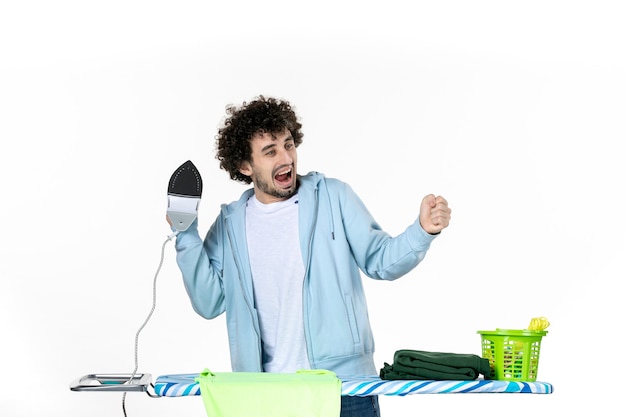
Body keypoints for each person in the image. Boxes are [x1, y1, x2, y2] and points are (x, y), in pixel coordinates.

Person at [167, 96, 451, 417]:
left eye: (288, 145)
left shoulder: (334, 196)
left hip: (343, 387)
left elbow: (380, 261)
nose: (285, 157)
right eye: (270, 151)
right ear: (245, 166)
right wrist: (186, 233)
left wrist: (422, 231)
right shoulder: (231, 224)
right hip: (266, 394)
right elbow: (208, 302)